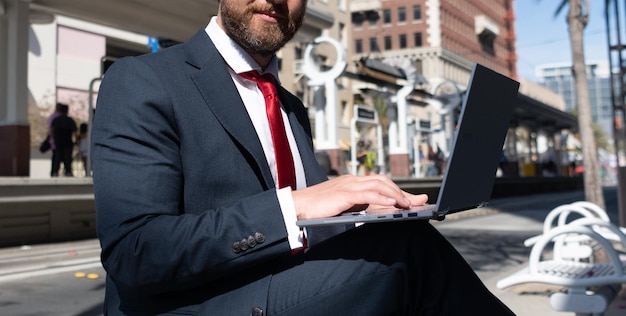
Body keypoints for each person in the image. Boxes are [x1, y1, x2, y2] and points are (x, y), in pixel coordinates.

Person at [91, 0, 514, 314]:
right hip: (197, 303)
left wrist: (359, 214)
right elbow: (135, 251)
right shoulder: (143, 80)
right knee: (407, 252)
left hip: (285, 285)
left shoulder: (290, 106)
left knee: (399, 244)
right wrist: (294, 206)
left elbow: (301, 230)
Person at [50, 103, 77, 177]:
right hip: (68, 142)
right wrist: (76, 141)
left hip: (58, 142)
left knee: (57, 157)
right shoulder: (70, 120)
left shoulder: (56, 120)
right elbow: (75, 132)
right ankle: (68, 171)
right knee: (68, 158)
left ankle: (55, 172)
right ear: (67, 111)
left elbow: (51, 131)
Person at [46, 103, 63, 176]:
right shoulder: (58, 117)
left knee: (55, 156)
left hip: (53, 140)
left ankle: (54, 172)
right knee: (58, 156)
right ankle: (55, 171)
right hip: (58, 140)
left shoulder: (51, 116)